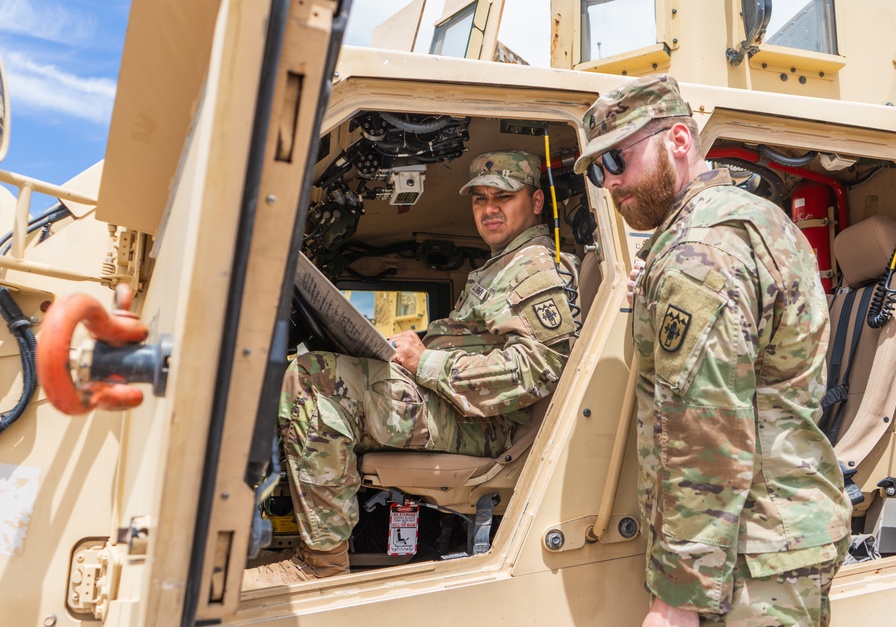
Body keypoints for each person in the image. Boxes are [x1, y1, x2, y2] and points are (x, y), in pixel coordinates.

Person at [573, 75, 851, 626]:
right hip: (769, 541)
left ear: (678, 140)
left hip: (748, 558)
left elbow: (706, 426)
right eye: (597, 170)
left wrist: (678, 596)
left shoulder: (699, 250)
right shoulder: (739, 222)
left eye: (617, 161)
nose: (609, 183)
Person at [244, 150, 579, 589]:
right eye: (479, 198)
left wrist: (426, 361)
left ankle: (321, 566)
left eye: (503, 196)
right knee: (318, 371)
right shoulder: (501, 266)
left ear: (536, 202)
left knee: (312, 382)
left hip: (488, 424)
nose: (489, 208)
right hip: (457, 406)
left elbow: (537, 370)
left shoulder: (533, 268)